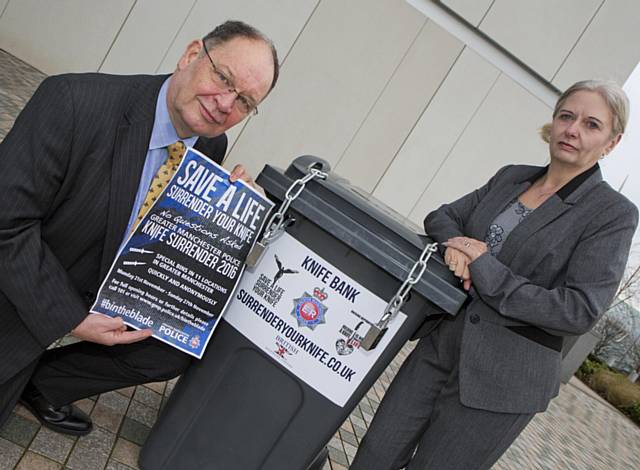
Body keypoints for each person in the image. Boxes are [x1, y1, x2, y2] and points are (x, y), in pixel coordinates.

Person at [0, 20, 279, 435]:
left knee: (175, 344)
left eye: (244, 102)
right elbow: (7, 225)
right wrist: (69, 318)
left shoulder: (210, 146)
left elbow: (163, 236)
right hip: (29, 285)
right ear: (190, 55)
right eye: (223, 78)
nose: (225, 103)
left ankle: (42, 384)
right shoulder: (73, 101)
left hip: (106, 277)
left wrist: (224, 209)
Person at [350, 80, 638, 469]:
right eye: (566, 116)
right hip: (441, 344)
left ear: (612, 142)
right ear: (553, 123)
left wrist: (483, 265)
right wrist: (457, 244)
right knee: (374, 454)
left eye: (591, 124)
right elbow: (443, 216)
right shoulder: (512, 177)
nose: (572, 130)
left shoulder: (611, 214)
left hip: (505, 379)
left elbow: (578, 309)